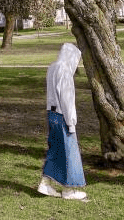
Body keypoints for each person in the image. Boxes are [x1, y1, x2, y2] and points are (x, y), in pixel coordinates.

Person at [37, 43, 88, 201]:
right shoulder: (64, 71)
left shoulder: (52, 67)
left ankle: (45, 183)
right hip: (62, 114)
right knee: (69, 151)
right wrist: (71, 121)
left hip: (51, 113)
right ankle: (69, 189)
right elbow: (66, 99)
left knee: (55, 149)